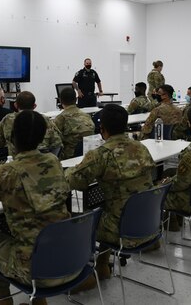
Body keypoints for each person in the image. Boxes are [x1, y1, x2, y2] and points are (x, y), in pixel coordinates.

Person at [0, 111, 72, 305]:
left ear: (12, 137)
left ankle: (5, 302)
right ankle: (39, 301)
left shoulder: (5, 173)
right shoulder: (54, 162)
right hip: (71, 257)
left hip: (39, 270)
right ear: (43, 137)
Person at [66, 104, 155, 291]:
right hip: (148, 223)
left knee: (79, 213)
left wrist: (69, 170)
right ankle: (102, 265)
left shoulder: (101, 154)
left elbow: (75, 182)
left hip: (120, 229)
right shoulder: (142, 148)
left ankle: (77, 274)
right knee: (110, 207)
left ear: (102, 129)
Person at [0, 91, 62, 156]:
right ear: (34, 106)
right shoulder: (45, 119)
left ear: (15, 105)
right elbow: (57, 143)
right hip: (43, 163)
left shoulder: (8, 119)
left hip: (17, 165)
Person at [53, 87, 95, 160]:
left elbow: (54, 140)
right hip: (88, 154)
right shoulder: (86, 115)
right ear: (76, 99)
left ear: (60, 101)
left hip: (70, 157)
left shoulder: (61, 118)